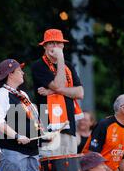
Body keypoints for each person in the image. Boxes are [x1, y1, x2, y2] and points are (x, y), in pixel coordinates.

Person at [31, 28, 84, 156]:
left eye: (58, 43)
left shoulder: (69, 66)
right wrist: (60, 58)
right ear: (44, 46)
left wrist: (52, 91)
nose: (55, 46)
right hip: (49, 128)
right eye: (51, 43)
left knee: (70, 170)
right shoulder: (38, 65)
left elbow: (80, 93)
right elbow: (59, 85)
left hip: (69, 127)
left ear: (63, 45)